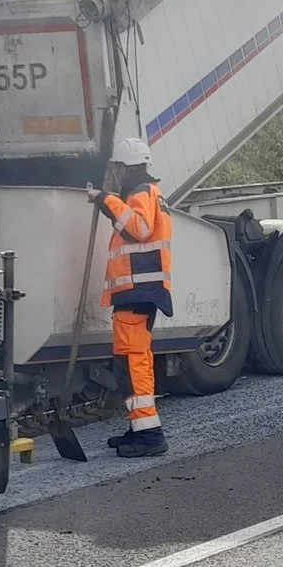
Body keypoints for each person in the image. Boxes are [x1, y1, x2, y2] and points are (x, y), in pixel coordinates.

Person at [88, 135, 174, 458]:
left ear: (128, 168)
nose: (116, 175)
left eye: (118, 169)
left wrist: (106, 200)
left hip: (138, 291)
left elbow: (137, 228)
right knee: (133, 361)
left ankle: (150, 436)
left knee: (133, 362)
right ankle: (140, 428)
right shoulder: (150, 192)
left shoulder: (140, 193)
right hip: (139, 292)